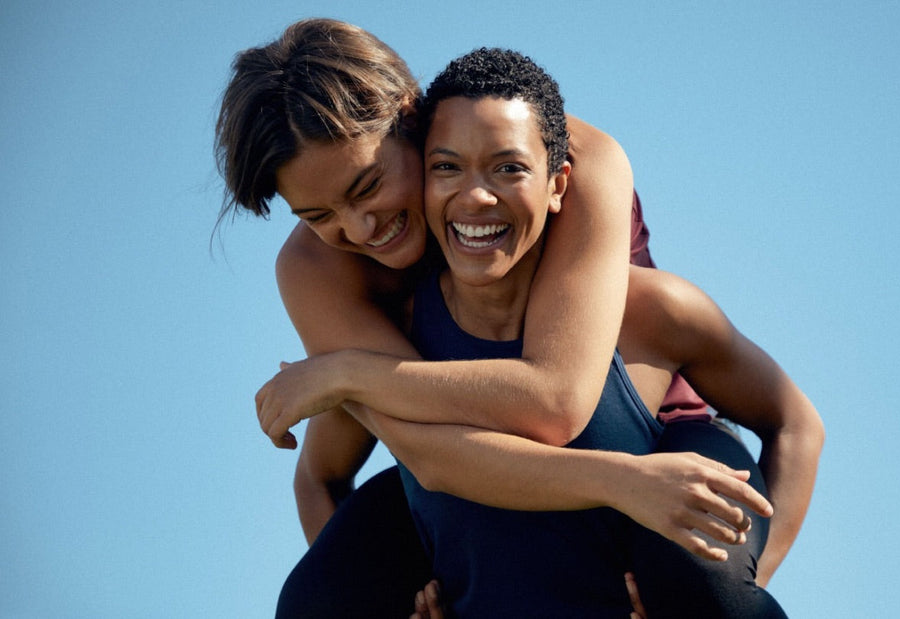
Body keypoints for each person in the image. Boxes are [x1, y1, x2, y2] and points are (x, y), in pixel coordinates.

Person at [216, 18, 822, 616]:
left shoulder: (573, 163)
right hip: (469, 476)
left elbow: (554, 404)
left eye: (368, 185)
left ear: (409, 116)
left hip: (642, 431)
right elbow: (428, 457)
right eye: (317, 215)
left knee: (702, 581)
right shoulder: (318, 269)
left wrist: (347, 372)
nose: (357, 228)